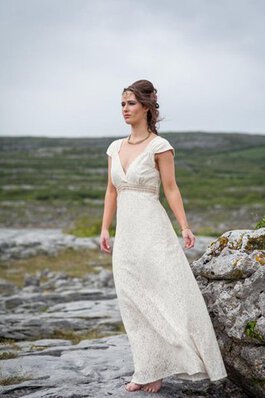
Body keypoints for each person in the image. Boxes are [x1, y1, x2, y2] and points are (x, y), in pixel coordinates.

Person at [100, 79, 227, 393]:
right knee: (131, 299)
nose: (125, 109)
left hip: (153, 228)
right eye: (122, 104)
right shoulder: (114, 148)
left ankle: (180, 360)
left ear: (146, 107)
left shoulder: (160, 146)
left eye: (130, 103)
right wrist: (104, 228)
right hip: (126, 233)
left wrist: (184, 225)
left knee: (163, 292)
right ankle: (147, 369)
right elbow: (111, 191)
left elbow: (171, 188)